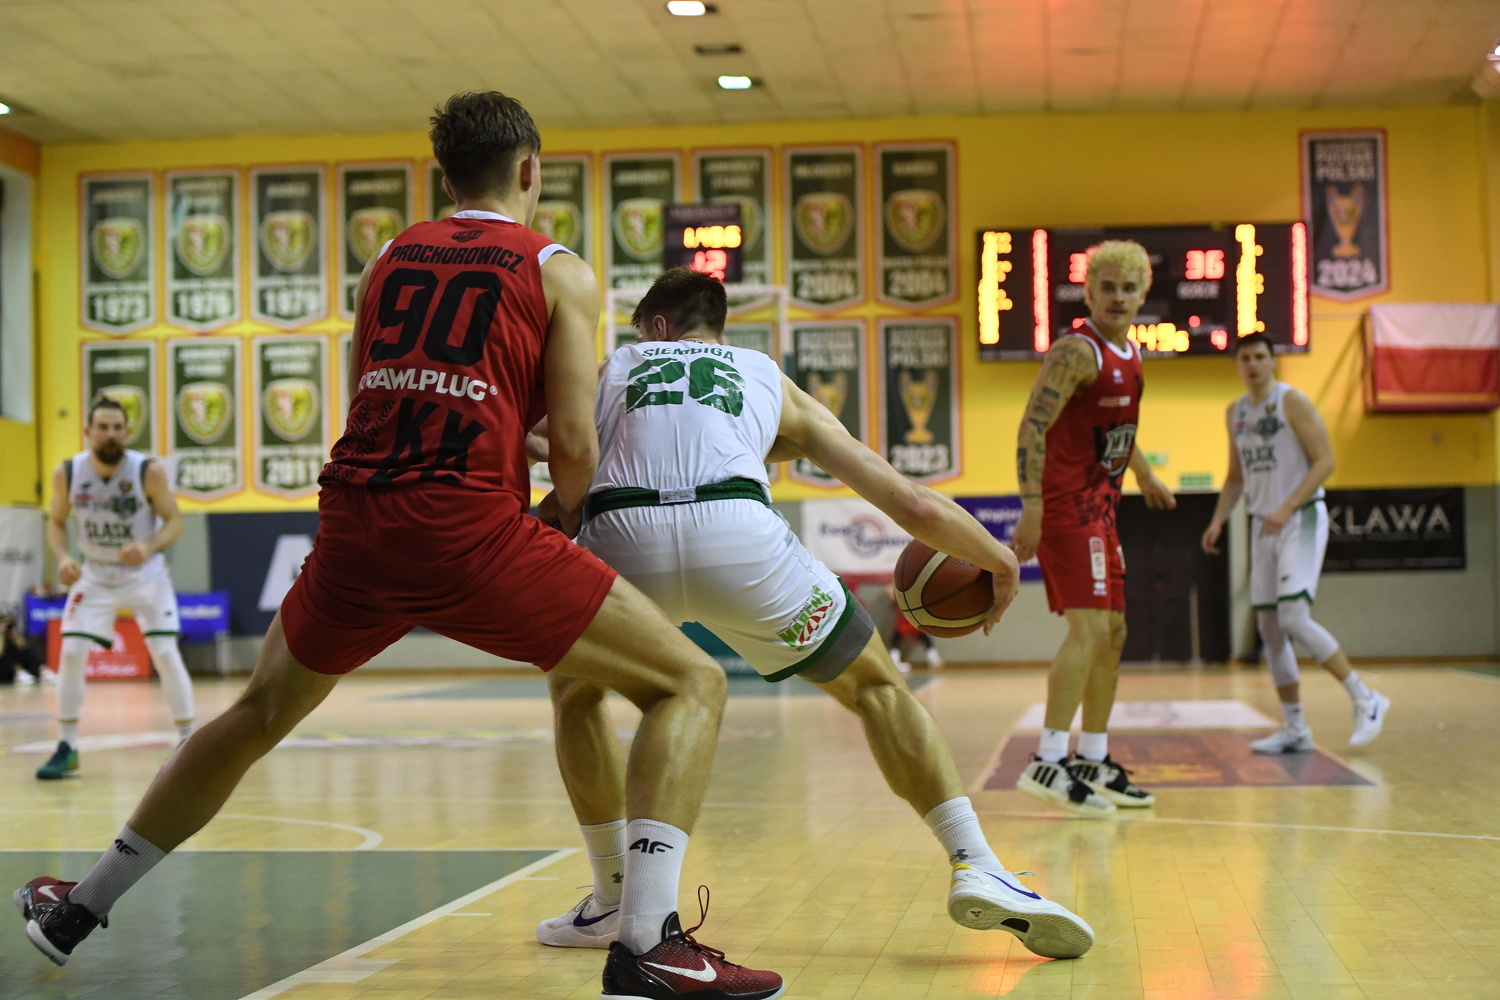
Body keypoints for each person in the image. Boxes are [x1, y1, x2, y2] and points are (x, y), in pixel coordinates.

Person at [15, 92, 783, 1000]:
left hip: (356, 527)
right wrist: (558, 526)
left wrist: (506, 441)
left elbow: (376, 401)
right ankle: (647, 939)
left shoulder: (384, 260)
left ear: (445, 179)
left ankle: (80, 905)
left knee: (256, 714)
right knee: (688, 682)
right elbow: (576, 449)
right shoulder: (558, 270)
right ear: (530, 170)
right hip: (469, 532)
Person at [532, 267, 1095, 962]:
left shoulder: (611, 370)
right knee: (877, 687)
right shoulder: (766, 378)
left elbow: (551, 444)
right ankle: (976, 862)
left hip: (623, 535)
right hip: (740, 539)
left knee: (574, 691)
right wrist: (998, 558)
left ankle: (614, 895)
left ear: (656, 327)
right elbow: (906, 501)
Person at [1010, 241, 1176, 817]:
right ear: (1089, 293)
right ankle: (1047, 760)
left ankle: (1093, 758)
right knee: (1088, 632)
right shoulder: (1075, 353)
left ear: (1142, 295)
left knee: (1115, 634)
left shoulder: (1132, 354)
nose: (1118, 298)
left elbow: (1119, 430)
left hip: (1102, 509)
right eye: (1108, 287)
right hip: (1064, 507)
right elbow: (1031, 427)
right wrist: (1032, 507)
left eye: (1129, 289)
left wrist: (1146, 474)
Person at [1201, 332, 1390, 753]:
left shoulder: (1292, 401)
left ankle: (1366, 698)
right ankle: (1296, 728)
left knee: (1293, 618)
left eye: (1260, 356)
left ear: (1273, 360)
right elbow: (1234, 478)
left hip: (1300, 517)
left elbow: (1326, 461)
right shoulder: (1235, 412)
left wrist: (1287, 506)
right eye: (1245, 358)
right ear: (1237, 364)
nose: (1253, 364)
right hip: (1261, 524)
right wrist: (1217, 521)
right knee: (1270, 628)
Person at [35, 397, 194, 779]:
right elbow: (56, 521)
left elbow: (174, 521)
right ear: (88, 431)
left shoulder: (147, 471)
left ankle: (189, 743)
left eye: (117, 427)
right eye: (103, 427)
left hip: (145, 573)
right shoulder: (68, 472)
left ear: (127, 431)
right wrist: (63, 558)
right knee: (71, 651)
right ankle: (67, 747)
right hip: (95, 572)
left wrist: (148, 546)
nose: (111, 434)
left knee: (165, 652)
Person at [0, 612, 43, 685]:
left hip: (15, 664)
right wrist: (2, 635)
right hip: (4, 669)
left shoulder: (13, 639)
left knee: (27, 650)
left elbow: (22, 647)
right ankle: (18, 673)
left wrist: (17, 639)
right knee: (8, 651)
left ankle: (41, 670)